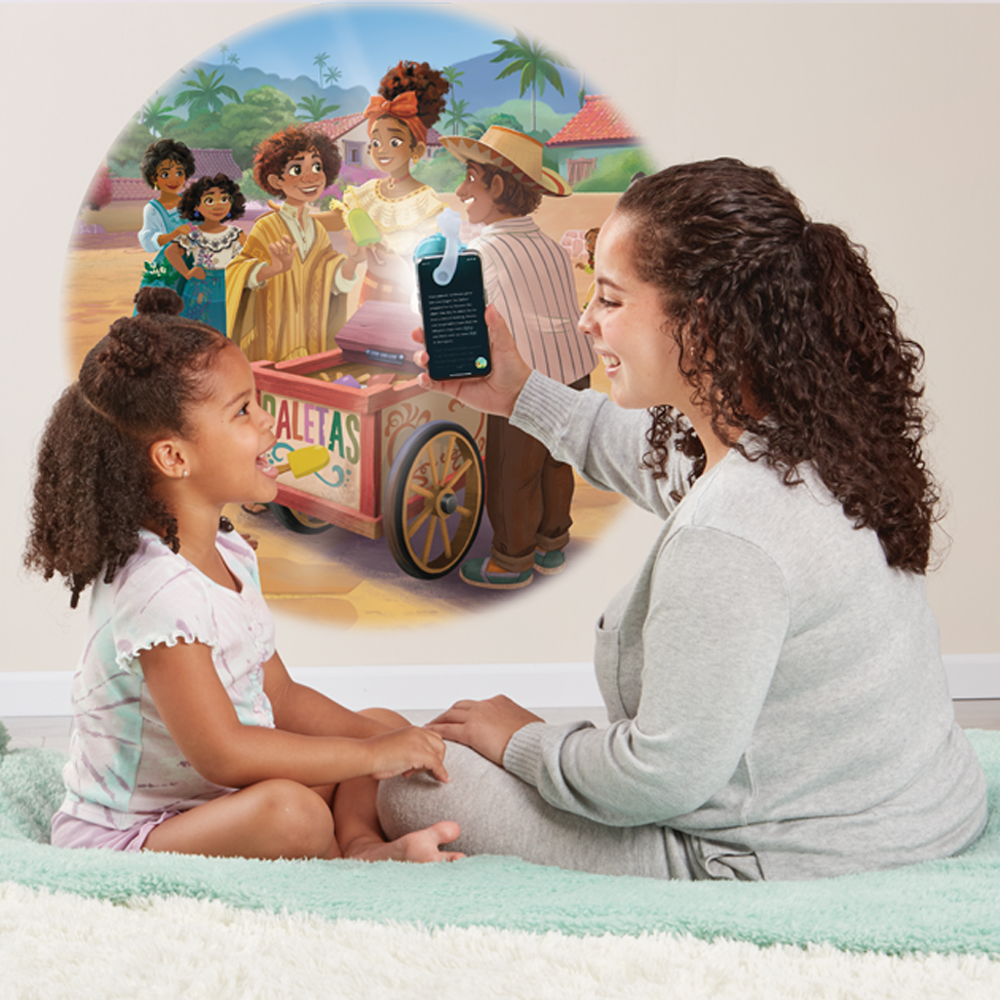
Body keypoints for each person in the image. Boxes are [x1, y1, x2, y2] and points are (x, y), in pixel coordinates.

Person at [375, 159, 988, 881]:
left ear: (701, 324)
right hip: (920, 804)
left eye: (609, 299)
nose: (586, 320)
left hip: (790, 852)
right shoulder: (804, 439)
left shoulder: (730, 534)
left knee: (412, 784)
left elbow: (657, 778)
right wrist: (515, 392)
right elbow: (642, 453)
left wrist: (524, 742)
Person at [24, 288, 460, 862]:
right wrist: (371, 757)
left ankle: (359, 848)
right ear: (174, 457)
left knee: (378, 722)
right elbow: (223, 754)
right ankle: (335, 849)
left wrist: (382, 742)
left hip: (220, 800)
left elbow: (278, 694)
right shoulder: (158, 591)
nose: (267, 419)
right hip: (137, 832)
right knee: (295, 811)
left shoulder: (230, 551)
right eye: (243, 411)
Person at [436, 126, 597, 590]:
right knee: (556, 463)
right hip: (574, 371)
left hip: (524, 380)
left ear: (497, 185)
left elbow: (457, 312)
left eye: (471, 178)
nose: (461, 190)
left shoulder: (484, 251)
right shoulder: (549, 247)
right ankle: (552, 543)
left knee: (513, 472)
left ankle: (511, 561)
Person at [226, 125, 364, 363]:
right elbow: (238, 273)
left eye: (317, 166)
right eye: (297, 169)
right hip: (272, 337)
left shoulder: (318, 230)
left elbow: (333, 280)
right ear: (276, 180)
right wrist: (273, 269)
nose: (311, 177)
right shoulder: (266, 227)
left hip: (311, 336)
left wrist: (353, 260)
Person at [341, 60, 450, 305]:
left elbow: (431, 260)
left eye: (395, 142)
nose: (382, 150)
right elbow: (341, 217)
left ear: (417, 149)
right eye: (375, 142)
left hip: (406, 293)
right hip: (370, 289)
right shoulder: (369, 192)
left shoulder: (425, 200)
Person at [165, 173, 247, 332]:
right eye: (210, 200)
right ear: (196, 206)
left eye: (224, 199)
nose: (218, 205)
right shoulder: (194, 234)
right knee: (200, 331)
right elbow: (171, 252)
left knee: (227, 328)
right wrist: (188, 273)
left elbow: (246, 259)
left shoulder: (236, 233)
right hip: (201, 287)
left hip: (229, 284)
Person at [134, 138, 196, 296]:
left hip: (195, 259)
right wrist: (173, 235)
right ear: (153, 177)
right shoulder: (153, 210)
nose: (174, 180)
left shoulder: (190, 201)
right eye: (165, 174)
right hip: (168, 266)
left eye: (179, 173)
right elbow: (148, 242)